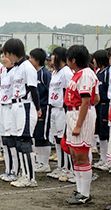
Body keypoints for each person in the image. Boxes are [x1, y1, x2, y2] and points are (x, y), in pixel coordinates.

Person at [2, 38, 41, 187]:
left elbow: (33, 89)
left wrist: (37, 109)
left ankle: (30, 178)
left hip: (25, 105)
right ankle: (24, 174)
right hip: (16, 105)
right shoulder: (18, 67)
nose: (6, 57)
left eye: (7, 53)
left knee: (25, 141)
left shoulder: (27, 67)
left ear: (13, 52)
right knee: (19, 141)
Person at [65, 45, 98, 204]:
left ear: (73, 60)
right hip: (73, 113)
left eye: (68, 59)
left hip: (80, 114)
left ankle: (85, 194)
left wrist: (79, 124)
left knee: (81, 155)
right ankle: (79, 190)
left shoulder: (85, 74)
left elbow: (86, 101)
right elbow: (96, 97)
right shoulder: (78, 74)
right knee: (74, 155)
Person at [46, 47, 74, 181]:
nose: (51, 58)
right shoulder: (55, 72)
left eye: (54, 55)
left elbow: (70, 91)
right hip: (54, 108)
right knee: (57, 139)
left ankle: (68, 168)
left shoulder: (66, 72)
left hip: (62, 109)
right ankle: (61, 166)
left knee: (64, 139)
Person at [0, 53, 19, 181]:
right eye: (2, 56)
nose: (4, 59)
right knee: (4, 140)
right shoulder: (3, 70)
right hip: (3, 107)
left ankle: (15, 170)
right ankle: (8, 169)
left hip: (11, 107)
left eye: (7, 56)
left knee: (12, 141)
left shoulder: (16, 71)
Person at [29, 48, 52, 173]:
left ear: (37, 60)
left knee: (43, 135)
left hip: (44, 107)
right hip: (35, 107)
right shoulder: (33, 72)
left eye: (31, 58)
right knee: (36, 135)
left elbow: (49, 90)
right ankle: (39, 161)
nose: (29, 60)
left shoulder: (45, 73)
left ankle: (45, 163)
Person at [92, 50, 110, 170]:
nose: (93, 61)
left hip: (105, 104)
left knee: (105, 133)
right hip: (98, 105)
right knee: (100, 132)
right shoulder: (98, 73)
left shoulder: (107, 73)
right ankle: (103, 158)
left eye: (95, 59)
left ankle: (107, 159)